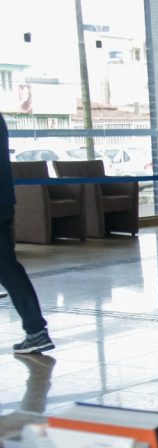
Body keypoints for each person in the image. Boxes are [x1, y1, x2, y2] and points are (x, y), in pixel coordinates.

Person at [0, 111, 54, 354]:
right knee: (8, 269)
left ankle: (36, 330)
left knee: (8, 270)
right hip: (3, 202)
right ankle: (36, 331)